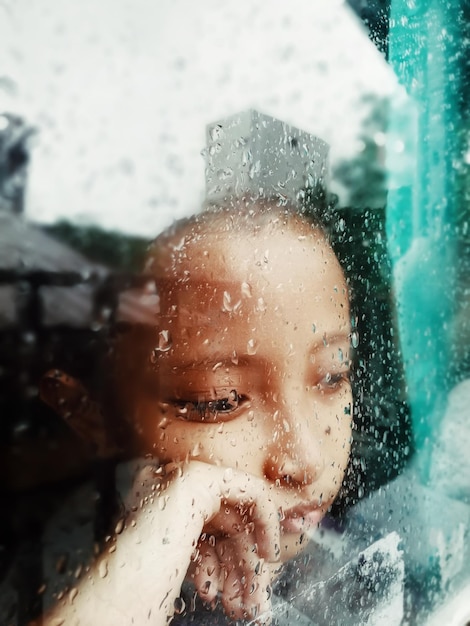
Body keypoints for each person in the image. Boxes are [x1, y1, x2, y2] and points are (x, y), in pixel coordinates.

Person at [39, 199, 353, 625]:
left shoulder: (348, 536)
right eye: (218, 401)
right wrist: (172, 515)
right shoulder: (54, 574)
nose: (306, 459)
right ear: (91, 414)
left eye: (333, 376)